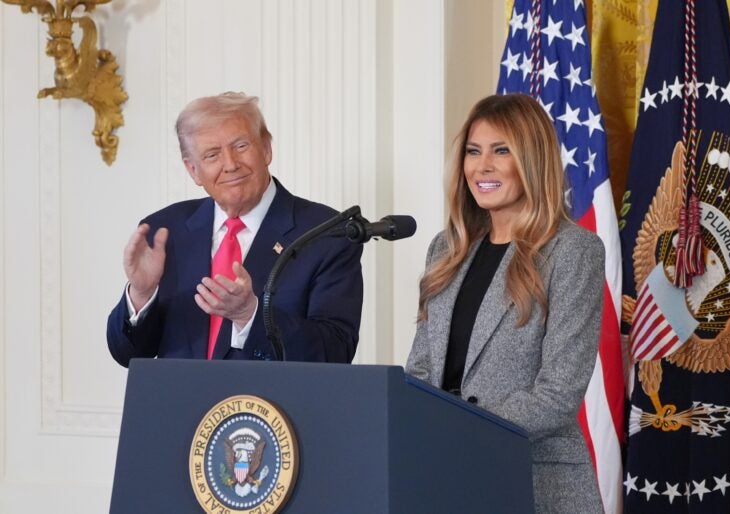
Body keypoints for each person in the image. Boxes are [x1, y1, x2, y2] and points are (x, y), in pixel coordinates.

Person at [405, 94, 605, 513]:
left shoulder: (573, 251)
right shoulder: (447, 249)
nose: (483, 167)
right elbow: (421, 369)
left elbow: (558, 394)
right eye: (473, 152)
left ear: (531, 159)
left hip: (533, 481)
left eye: (501, 151)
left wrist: (458, 426)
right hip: (444, 478)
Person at [107, 92, 363, 366]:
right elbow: (129, 355)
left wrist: (250, 316)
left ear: (266, 148)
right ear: (193, 170)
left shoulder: (327, 233)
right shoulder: (166, 231)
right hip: (182, 407)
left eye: (241, 146)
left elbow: (335, 351)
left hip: (274, 408)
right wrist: (142, 295)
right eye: (212, 154)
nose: (230, 165)